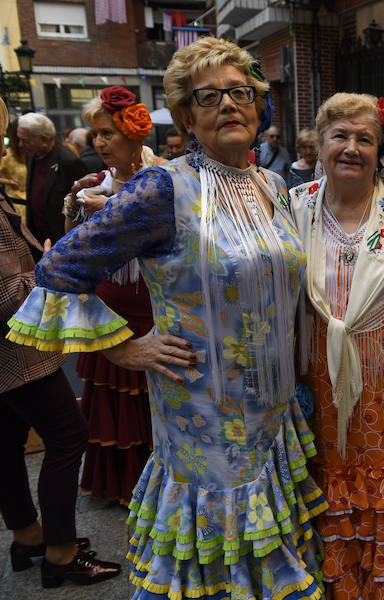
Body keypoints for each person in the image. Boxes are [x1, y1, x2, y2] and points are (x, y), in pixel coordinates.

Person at [6, 37, 326, 599]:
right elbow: (58, 268)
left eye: (240, 93)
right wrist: (122, 348)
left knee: (265, 541)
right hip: (201, 409)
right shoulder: (164, 187)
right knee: (219, 551)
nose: (228, 105)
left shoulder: (271, 185)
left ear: (258, 107)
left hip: (271, 409)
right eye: (209, 97)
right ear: (185, 115)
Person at [289, 93, 384, 600]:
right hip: (321, 374)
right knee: (332, 469)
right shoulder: (297, 204)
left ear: (381, 150)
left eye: (364, 139)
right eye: (341, 136)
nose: (351, 148)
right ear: (320, 142)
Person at [0, 97, 120, 588]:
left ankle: (29, 537)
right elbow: (7, 295)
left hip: (10, 354)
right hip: (16, 351)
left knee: (6, 443)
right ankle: (61, 552)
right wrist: (48, 267)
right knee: (69, 437)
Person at [62, 87, 166, 505]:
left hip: (152, 303)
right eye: (95, 136)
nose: (100, 144)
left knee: (152, 400)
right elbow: (74, 248)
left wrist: (110, 205)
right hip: (108, 304)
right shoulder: (92, 183)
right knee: (110, 397)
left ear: (133, 132)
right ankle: (117, 486)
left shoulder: (165, 176)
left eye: (107, 133)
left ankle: (158, 485)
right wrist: (74, 208)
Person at [17, 112, 89, 243]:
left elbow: (82, 206)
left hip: (62, 239)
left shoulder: (68, 161)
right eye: (19, 139)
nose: (20, 145)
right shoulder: (32, 157)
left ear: (43, 140)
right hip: (38, 238)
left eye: (25, 140)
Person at [0, 118, 29, 219]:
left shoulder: (32, 153)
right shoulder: (8, 156)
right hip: (17, 206)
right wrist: (9, 181)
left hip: (33, 205)